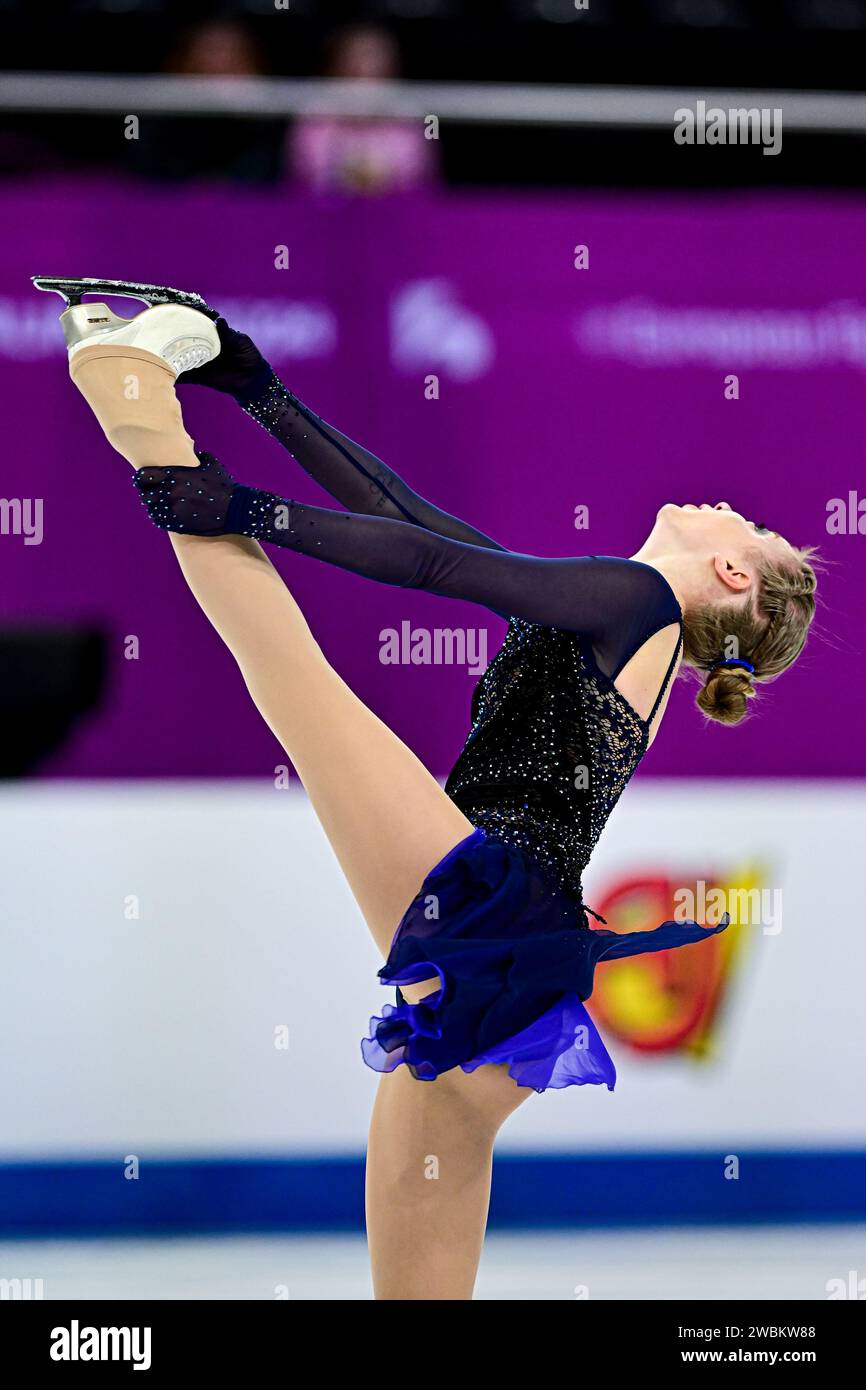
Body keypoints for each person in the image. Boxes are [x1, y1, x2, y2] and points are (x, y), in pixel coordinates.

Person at [46, 282, 818, 1299]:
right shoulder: (613, 608)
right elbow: (409, 520)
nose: (731, 506)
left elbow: (430, 564)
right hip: (509, 939)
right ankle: (143, 401)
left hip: (494, 898)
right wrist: (261, 391)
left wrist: (249, 510)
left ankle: (135, 401)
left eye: (749, 526)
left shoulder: (636, 602)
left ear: (730, 573)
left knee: (289, 673)